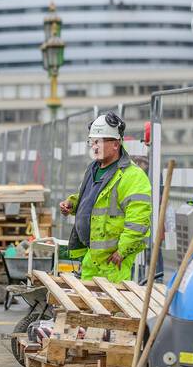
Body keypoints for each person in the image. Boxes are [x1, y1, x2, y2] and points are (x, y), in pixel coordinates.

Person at [58, 113, 151, 283]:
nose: (94, 146)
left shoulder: (132, 176)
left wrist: (122, 252)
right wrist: (72, 203)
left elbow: (139, 221)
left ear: (116, 144)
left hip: (113, 261)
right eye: (92, 141)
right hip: (92, 255)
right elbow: (91, 198)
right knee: (87, 306)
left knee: (113, 307)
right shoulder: (93, 168)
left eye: (100, 141)